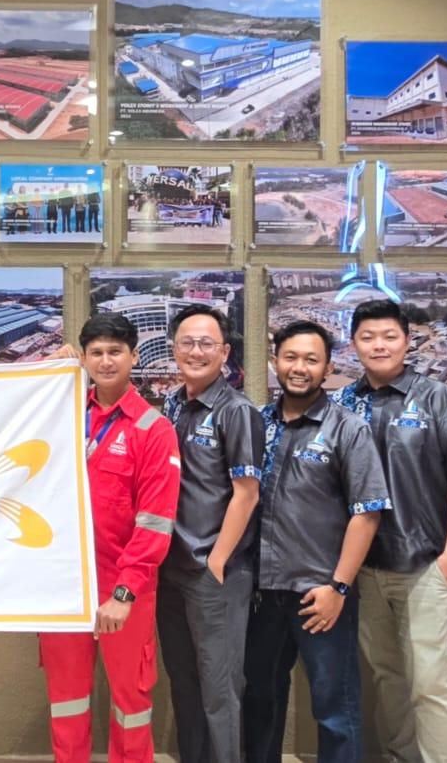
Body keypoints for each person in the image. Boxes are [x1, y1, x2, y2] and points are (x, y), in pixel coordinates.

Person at [330, 300, 447, 763]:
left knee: (431, 680)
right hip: (365, 568)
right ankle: (402, 756)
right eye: (367, 336)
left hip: (425, 564)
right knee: (387, 675)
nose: (379, 345)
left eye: (389, 336)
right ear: (353, 342)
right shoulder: (343, 403)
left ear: (407, 340)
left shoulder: (439, 397)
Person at [243, 321, 388, 763]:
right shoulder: (257, 425)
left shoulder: (348, 428)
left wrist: (339, 587)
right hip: (262, 594)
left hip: (320, 595)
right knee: (260, 703)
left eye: (311, 359)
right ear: (274, 362)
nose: (299, 368)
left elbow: (368, 512)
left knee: (335, 712)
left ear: (327, 368)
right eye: (290, 357)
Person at [38, 313, 178, 763]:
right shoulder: (63, 411)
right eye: (95, 352)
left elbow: (156, 520)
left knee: (131, 704)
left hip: (123, 588)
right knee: (66, 699)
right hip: (62, 586)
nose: (105, 360)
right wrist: (49, 368)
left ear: (134, 357)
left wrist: (124, 592)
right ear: (84, 358)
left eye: (115, 351)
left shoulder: (153, 430)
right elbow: (11, 414)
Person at [156, 304, 263, 763]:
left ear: (224, 353)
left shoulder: (236, 411)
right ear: (173, 349)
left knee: (221, 690)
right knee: (184, 682)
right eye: (186, 342)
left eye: (206, 343)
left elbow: (246, 494)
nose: (195, 351)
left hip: (213, 574)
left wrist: (217, 560)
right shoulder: (173, 404)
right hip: (170, 570)